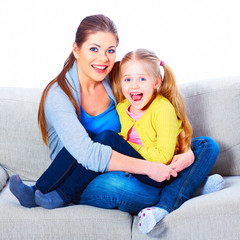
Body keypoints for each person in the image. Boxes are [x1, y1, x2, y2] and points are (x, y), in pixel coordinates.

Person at [9, 14, 222, 234]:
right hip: (84, 174)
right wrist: (151, 168)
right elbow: (87, 154)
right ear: (76, 49)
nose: (103, 59)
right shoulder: (59, 96)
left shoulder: (117, 77)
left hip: (131, 164)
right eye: (94, 49)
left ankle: (181, 186)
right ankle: (185, 186)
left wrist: (187, 152)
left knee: (205, 145)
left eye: (110, 50)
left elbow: (147, 75)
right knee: (115, 184)